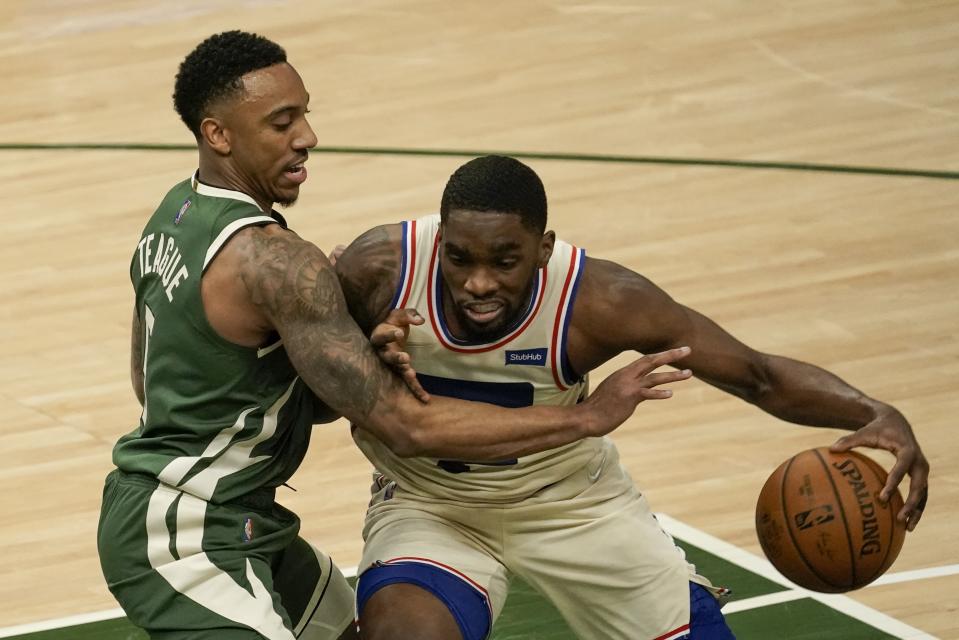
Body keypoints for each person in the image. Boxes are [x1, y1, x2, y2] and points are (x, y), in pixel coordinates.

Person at [95, 34, 693, 640]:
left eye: (305, 112)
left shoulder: (174, 220)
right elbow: (406, 427)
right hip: (184, 532)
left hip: (244, 520)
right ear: (218, 134)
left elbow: (156, 385)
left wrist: (355, 357)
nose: (307, 136)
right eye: (282, 122)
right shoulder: (276, 261)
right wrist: (586, 418)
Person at [333, 155, 931, 640]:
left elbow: (758, 374)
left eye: (505, 261)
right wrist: (363, 350)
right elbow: (297, 382)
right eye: (459, 258)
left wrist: (876, 414)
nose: (478, 283)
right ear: (440, 241)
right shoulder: (381, 271)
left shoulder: (601, 301)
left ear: (544, 249)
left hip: (571, 502)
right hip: (429, 506)